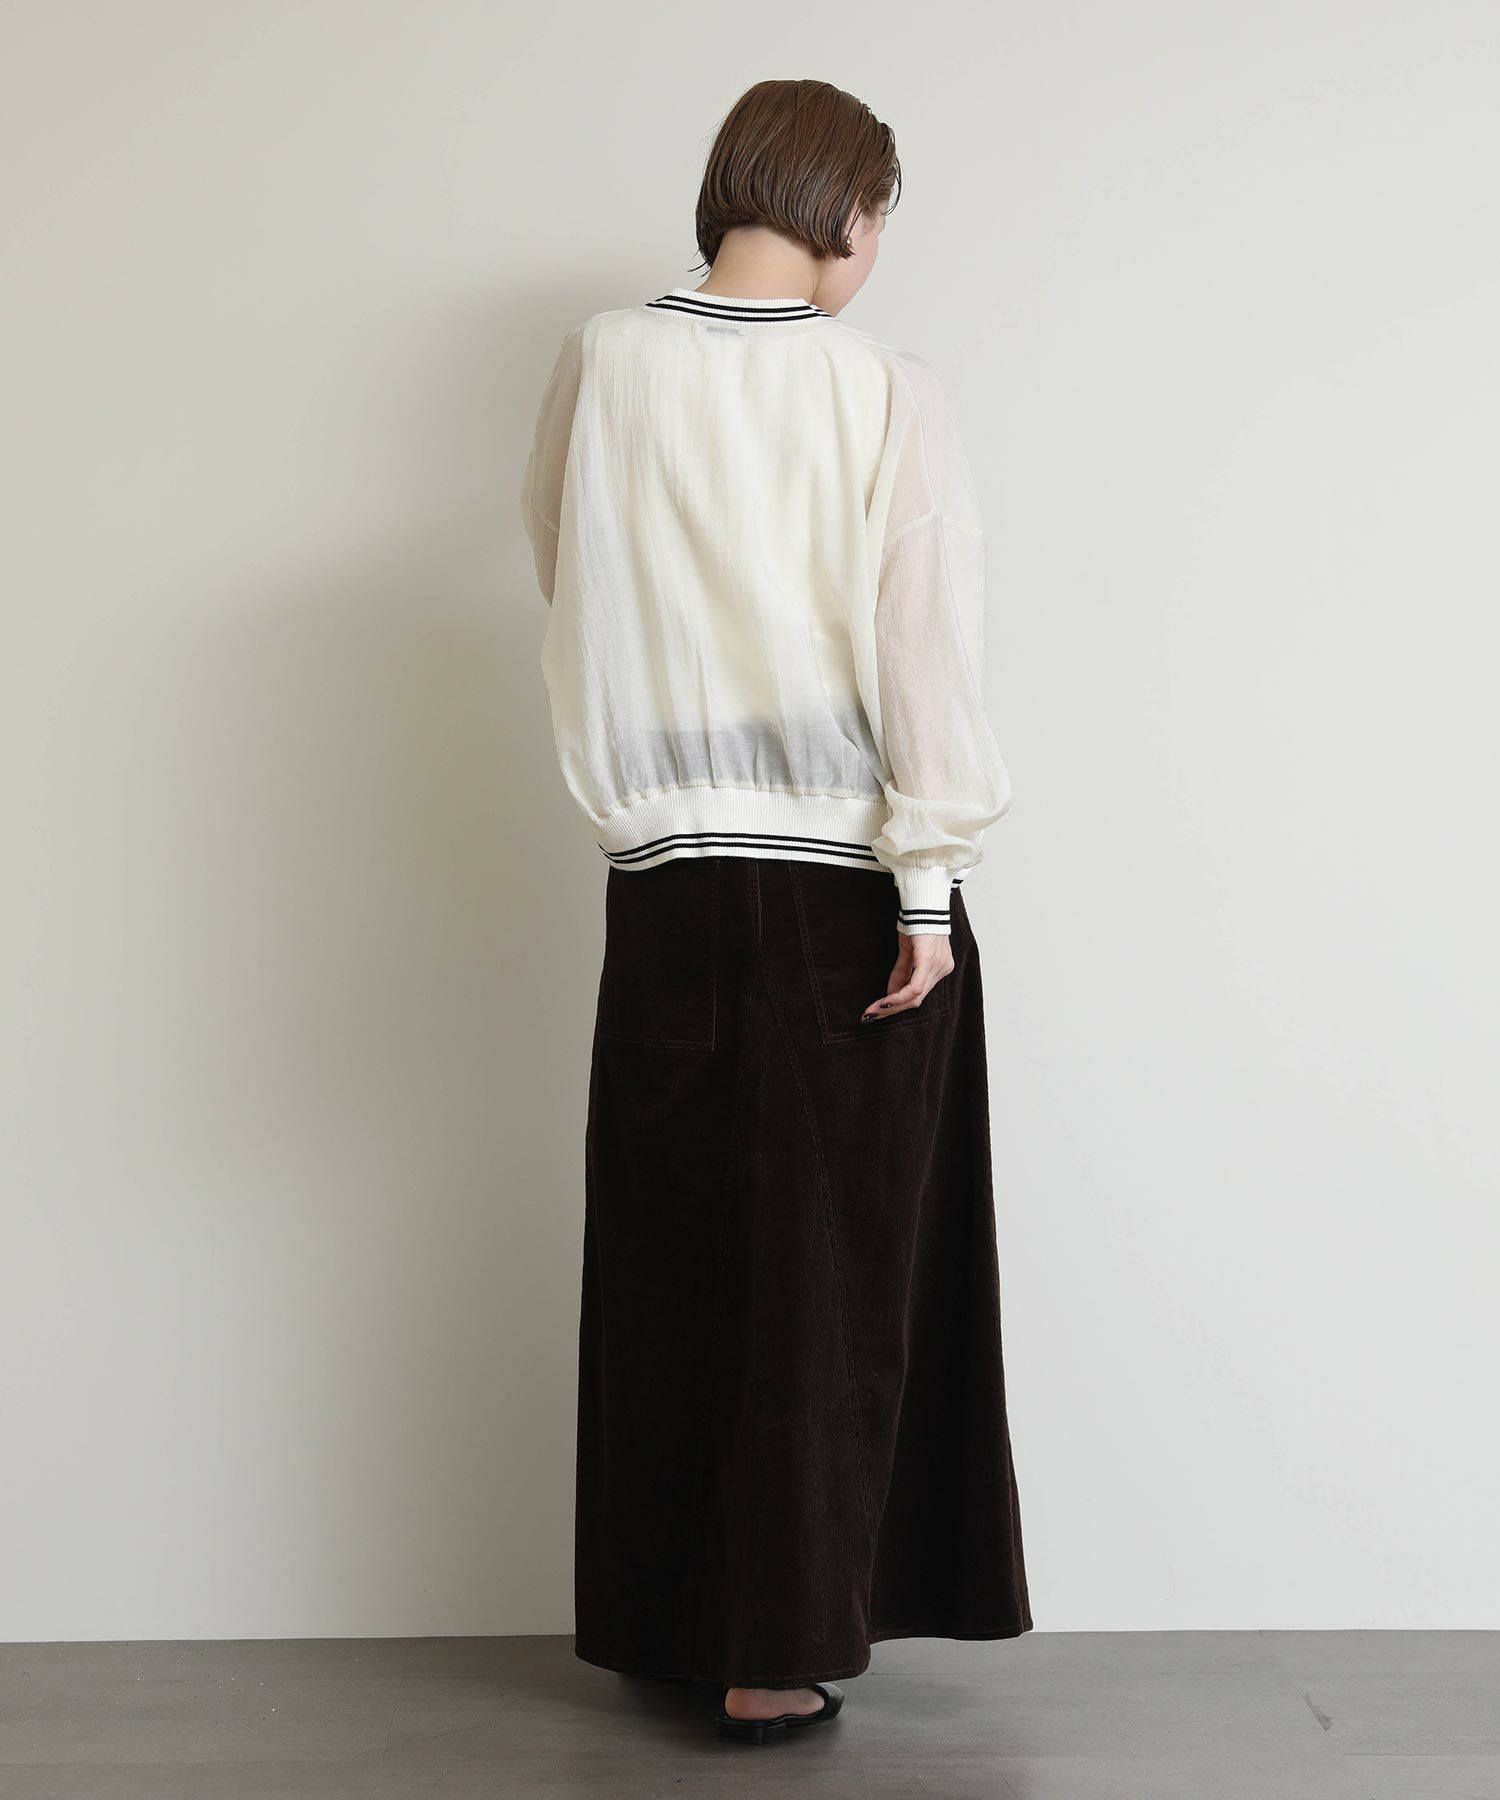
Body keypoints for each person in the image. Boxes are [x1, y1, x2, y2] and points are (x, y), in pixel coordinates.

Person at [519, 77, 1032, 1746]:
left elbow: (568, 565)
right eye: (882, 219)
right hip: (849, 888)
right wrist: (930, 893)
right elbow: (919, 638)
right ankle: (776, 1648)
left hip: (666, 880)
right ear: (849, 208)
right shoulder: (881, 387)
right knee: (832, 1281)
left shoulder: (604, 361)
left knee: (676, 1258)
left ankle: (678, 1623)